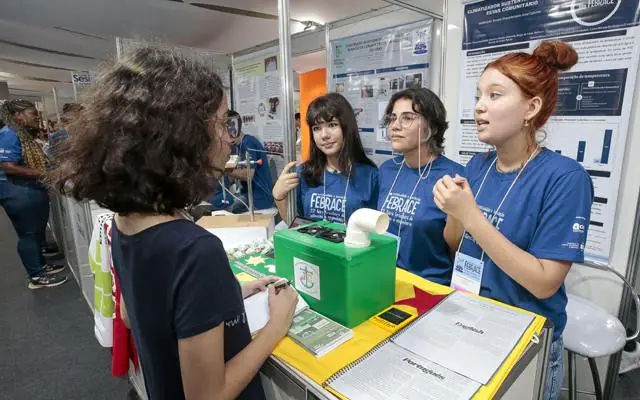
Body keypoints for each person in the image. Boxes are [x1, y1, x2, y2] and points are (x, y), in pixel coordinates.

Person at [48, 47, 298, 400]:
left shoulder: (124, 223)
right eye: (224, 121)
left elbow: (133, 316)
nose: (230, 136)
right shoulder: (194, 249)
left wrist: (227, 294)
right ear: (184, 134)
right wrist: (277, 324)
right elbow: (208, 395)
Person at [433, 41, 592, 400]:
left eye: (494, 95)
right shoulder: (477, 166)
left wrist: (471, 215)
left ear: (531, 108)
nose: (479, 107)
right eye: (478, 95)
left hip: (524, 340)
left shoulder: (564, 178)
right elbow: (457, 244)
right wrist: (455, 213)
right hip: (468, 321)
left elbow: (544, 282)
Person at [377, 88, 463, 284]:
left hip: (429, 287)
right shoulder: (387, 170)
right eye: (392, 118)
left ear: (431, 127)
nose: (394, 127)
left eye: (407, 118)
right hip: (384, 279)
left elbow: (459, 246)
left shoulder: (452, 176)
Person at [273, 93, 378, 224]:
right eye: (316, 128)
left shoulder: (370, 175)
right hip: (310, 244)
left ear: (347, 127)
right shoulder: (304, 173)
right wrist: (279, 197)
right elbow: (295, 226)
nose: (324, 135)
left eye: (332, 125)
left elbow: (375, 232)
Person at [0, 99, 67, 289]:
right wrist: (45, 173)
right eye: (32, 113)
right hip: (18, 192)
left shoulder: (22, 134)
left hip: (29, 189)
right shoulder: (8, 135)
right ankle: (36, 276)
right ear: (18, 116)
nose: (36, 117)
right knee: (28, 234)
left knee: (36, 231)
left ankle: (41, 265)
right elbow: (8, 166)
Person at [209, 110, 274, 213]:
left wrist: (224, 169)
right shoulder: (236, 146)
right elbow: (231, 177)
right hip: (246, 194)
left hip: (259, 199)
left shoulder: (249, 143)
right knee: (217, 203)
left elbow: (248, 175)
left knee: (226, 208)